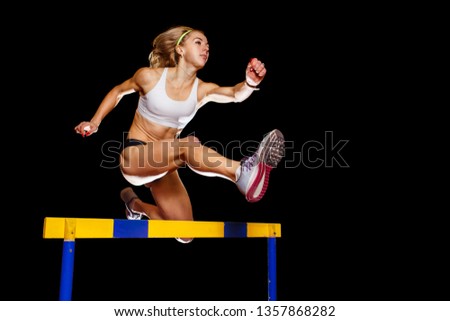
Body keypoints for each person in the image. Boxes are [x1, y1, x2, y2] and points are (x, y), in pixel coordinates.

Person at [74, 25, 285, 243]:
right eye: (198, 42)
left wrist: (250, 83)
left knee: (185, 233)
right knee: (189, 145)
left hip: (165, 165)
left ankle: (133, 204)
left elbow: (234, 94)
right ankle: (241, 172)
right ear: (180, 49)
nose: (206, 48)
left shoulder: (201, 90)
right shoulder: (149, 77)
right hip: (136, 156)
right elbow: (118, 91)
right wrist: (95, 122)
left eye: (208, 45)